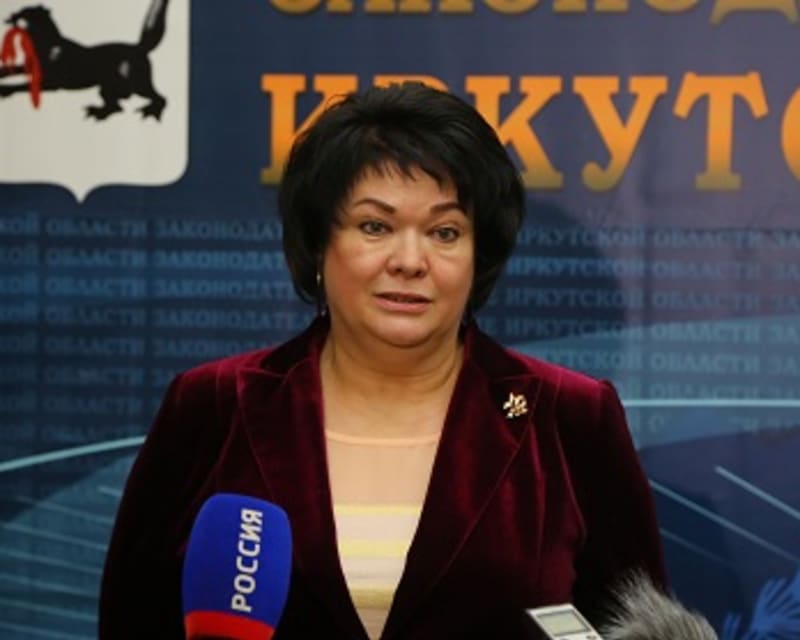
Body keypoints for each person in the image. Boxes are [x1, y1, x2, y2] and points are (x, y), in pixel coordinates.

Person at [99, 82, 667, 639]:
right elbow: (132, 621)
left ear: (479, 255)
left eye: (445, 232)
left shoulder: (569, 417)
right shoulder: (214, 406)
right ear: (318, 242)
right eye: (375, 226)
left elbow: (644, 627)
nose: (410, 260)